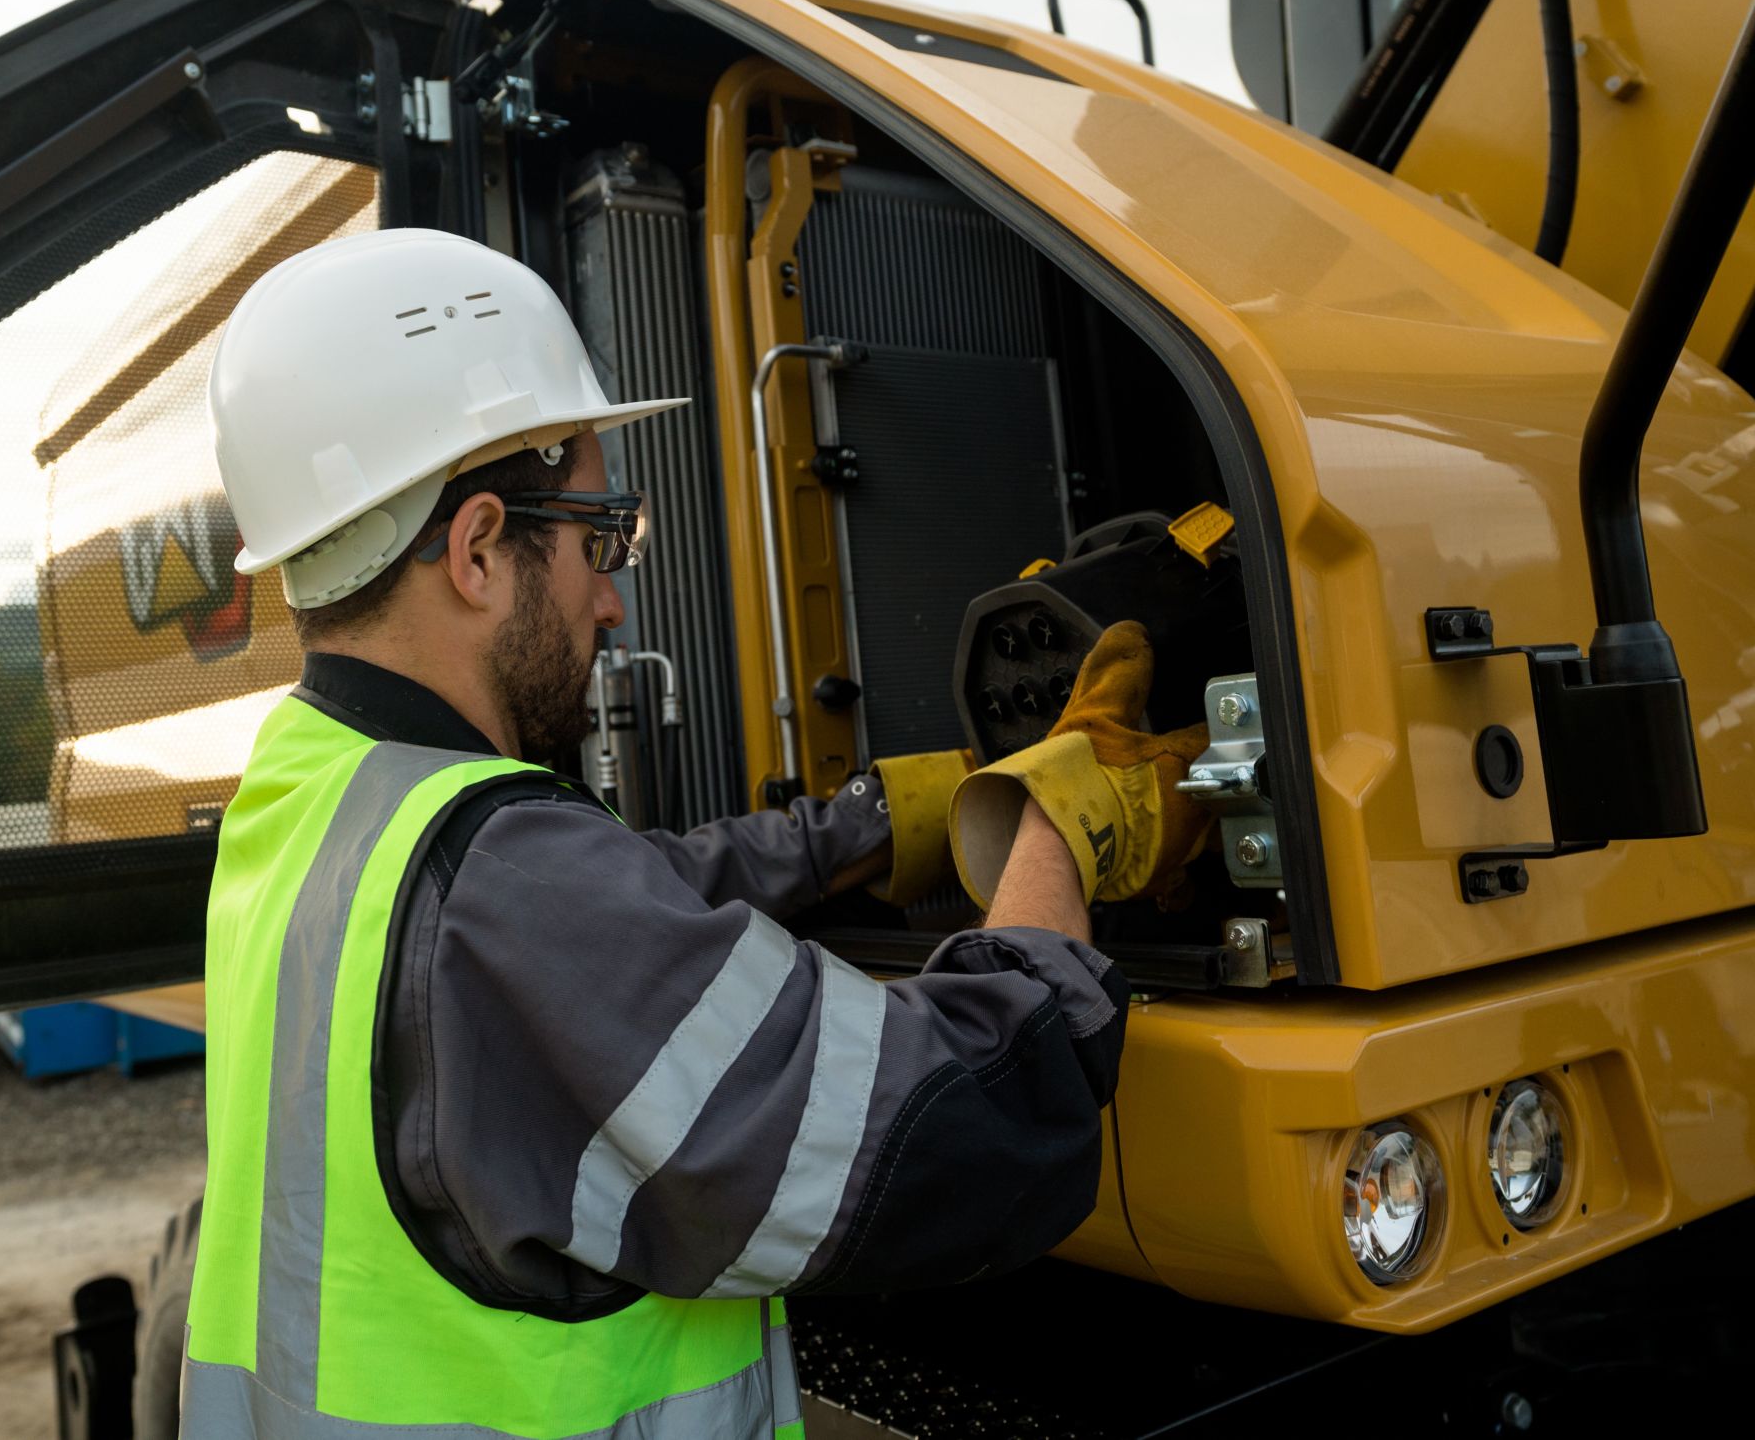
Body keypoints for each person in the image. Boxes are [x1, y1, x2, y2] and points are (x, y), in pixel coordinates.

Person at [180, 227, 1210, 1438]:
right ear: (474, 552)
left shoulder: (310, 793)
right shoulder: (508, 887)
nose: (612, 596)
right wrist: (1053, 815)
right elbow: (970, 1132)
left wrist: (874, 824)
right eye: (597, 541)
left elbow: (630, 896)